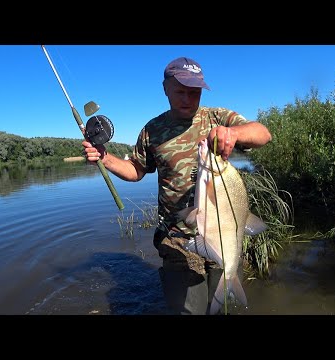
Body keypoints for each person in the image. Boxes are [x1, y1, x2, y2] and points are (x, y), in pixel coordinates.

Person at [82, 56, 272, 315]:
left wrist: (235, 134)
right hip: (177, 239)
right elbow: (136, 170)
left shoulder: (217, 117)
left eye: (194, 92)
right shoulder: (152, 130)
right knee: (188, 311)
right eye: (180, 91)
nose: (187, 98)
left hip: (223, 236)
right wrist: (105, 158)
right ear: (165, 89)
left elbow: (263, 133)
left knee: (226, 309)